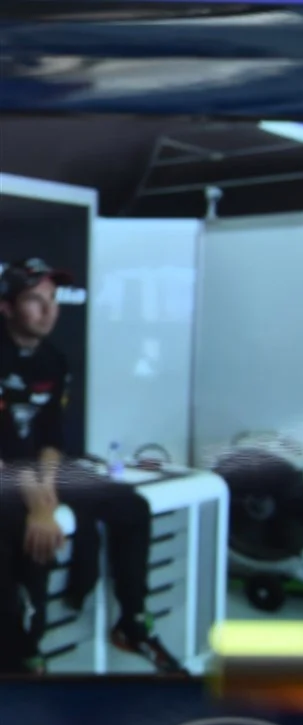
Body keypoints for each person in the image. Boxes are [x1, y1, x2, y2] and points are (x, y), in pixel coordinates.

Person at [0, 257, 181, 675]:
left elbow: (51, 439)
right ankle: (22, 650)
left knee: (130, 506)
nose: (49, 311)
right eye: (34, 300)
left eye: (53, 299)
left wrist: (46, 487)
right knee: (19, 529)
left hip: (32, 471)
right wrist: (40, 504)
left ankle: (132, 621)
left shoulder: (54, 361)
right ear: (6, 308)